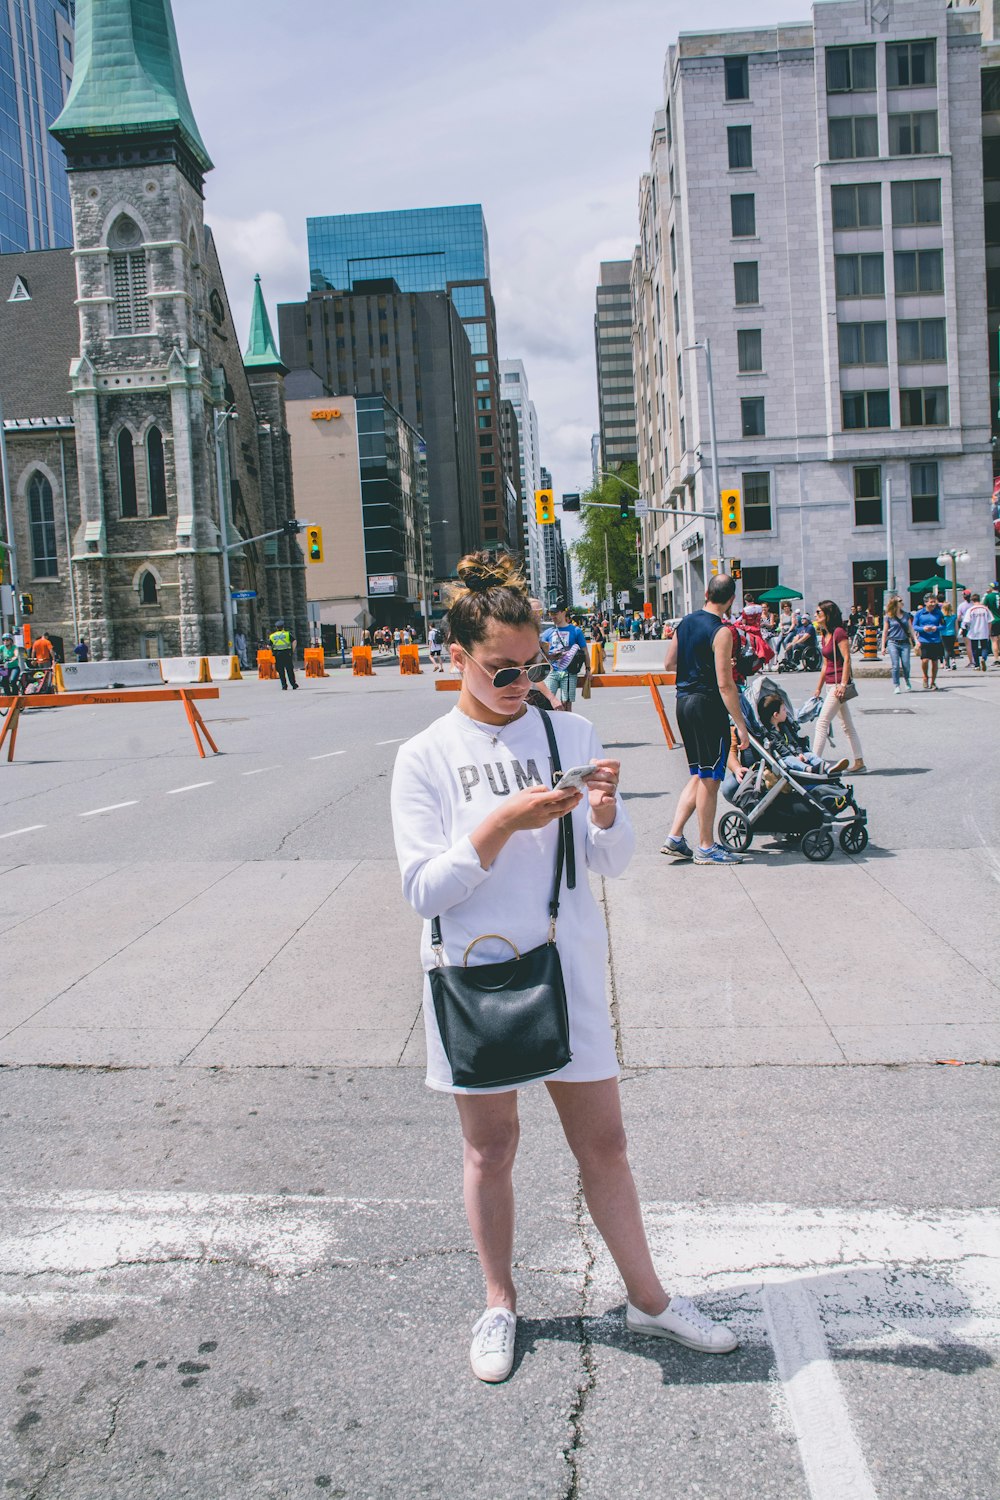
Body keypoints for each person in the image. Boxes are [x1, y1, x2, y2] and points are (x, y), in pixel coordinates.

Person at [390, 550, 739, 1385]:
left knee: (606, 1143)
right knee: (491, 1149)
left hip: (567, 963)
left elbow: (609, 864)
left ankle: (649, 1300)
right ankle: (500, 1302)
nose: (518, 682)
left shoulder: (568, 733)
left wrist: (609, 814)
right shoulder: (425, 757)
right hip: (474, 973)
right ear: (456, 658)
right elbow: (423, 888)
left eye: (531, 665)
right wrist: (505, 820)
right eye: (500, 669)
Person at [661, 574, 751, 864]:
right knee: (711, 778)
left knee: (700, 773)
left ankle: (675, 836)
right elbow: (726, 685)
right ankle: (706, 847)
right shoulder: (722, 631)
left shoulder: (686, 622)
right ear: (731, 600)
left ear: (707, 594)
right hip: (707, 705)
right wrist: (741, 724)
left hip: (683, 702)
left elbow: (669, 662)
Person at [812, 600, 865, 773]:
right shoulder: (825, 634)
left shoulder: (839, 633)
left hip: (837, 686)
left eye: (819, 612)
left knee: (822, 723)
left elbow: (847, 658)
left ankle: (813, 765)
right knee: (847, 726)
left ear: (828, 614)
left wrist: (843, 684)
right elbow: (826, 664)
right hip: (829, 684)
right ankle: (859, 762)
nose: (815, 615)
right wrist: (818, 688)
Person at [757, 692, 849, 776]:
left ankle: (826, 767)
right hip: (785, 758)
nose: (786, 712)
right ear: (776, 715)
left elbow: (795, 741)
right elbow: (781, 748)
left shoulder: (785, 727)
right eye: (784, 710)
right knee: (791, 760)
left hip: (796, 754)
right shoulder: (770, 734)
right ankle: (810, 769)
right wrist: (795, 756)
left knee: (810, 755)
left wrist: (799, 753)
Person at [540, 601, 589, 712]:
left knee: (566, 703)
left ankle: (567, 726)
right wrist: (551, 656)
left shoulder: (575, 631)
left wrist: (588, 669)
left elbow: (585, 651)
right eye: (551, 613)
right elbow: (542, 653)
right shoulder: (548, 633)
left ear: (563, 613)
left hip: (569, 671)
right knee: (547, 701)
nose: (553, 616)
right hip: (552, 671)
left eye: (555, 613)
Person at [880, 596, 915, 694]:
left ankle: (907, 680)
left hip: (905, 643)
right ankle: (896, 685)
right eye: (900, 601)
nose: (902, 602)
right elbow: (885, 632)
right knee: (895, 665)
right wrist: (883, 646)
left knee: (906, 664)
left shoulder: (906, 615)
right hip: (893, 642)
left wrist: (916, 640)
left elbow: (911, 628)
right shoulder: (889, 616)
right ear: (895, 603)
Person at [912, 593, 944, 690]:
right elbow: (914, 626)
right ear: (926, 602)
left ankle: (933, 682)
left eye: (934, 601)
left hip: (936, 640)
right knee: (925, 660)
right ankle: (925, 676)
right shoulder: (919, 613)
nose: (933, 604)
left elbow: (943, 625)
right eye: (931, 602)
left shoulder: (939, 613)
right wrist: (923, 629)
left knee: (935, 662)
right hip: (924, 640)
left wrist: (936, 628)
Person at [960, 594, 993, 671]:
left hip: (974, 631)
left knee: (974, 648)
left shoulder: (971, 609)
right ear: (979, 599)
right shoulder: (985, 609)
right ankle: (983, 659)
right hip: (984, 630)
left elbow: (966, 621)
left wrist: (964, 628)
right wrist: (989, 631)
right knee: (984, 647)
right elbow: (990, 621)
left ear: (972, 600)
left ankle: (977, 665)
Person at [268, 619, 298, 691]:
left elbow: (269, 646)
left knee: (281, 671)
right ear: (283, 627)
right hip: (287, 653)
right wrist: (292, 650)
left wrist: (272, 652)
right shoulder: (287, 634)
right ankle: (293, 684)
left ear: (276, 627)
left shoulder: (272, 636)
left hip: (278, 654)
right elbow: (294, 641)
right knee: (289, 670)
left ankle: (284, 686)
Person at [984, 581, 1000, 664]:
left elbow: (983, 606)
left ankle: (996, 659)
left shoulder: (989, 596)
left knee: (994, 640)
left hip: (993, 620)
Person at [939, 601, 957, 670]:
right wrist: (956, 633)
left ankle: (947, 664)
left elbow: (940, 625)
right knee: (951, 648)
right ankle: (953, 661)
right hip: (952, 633)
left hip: (944, 634)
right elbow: (956, 626)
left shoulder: (942, 616)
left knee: (946, 649)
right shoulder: (953, 616)